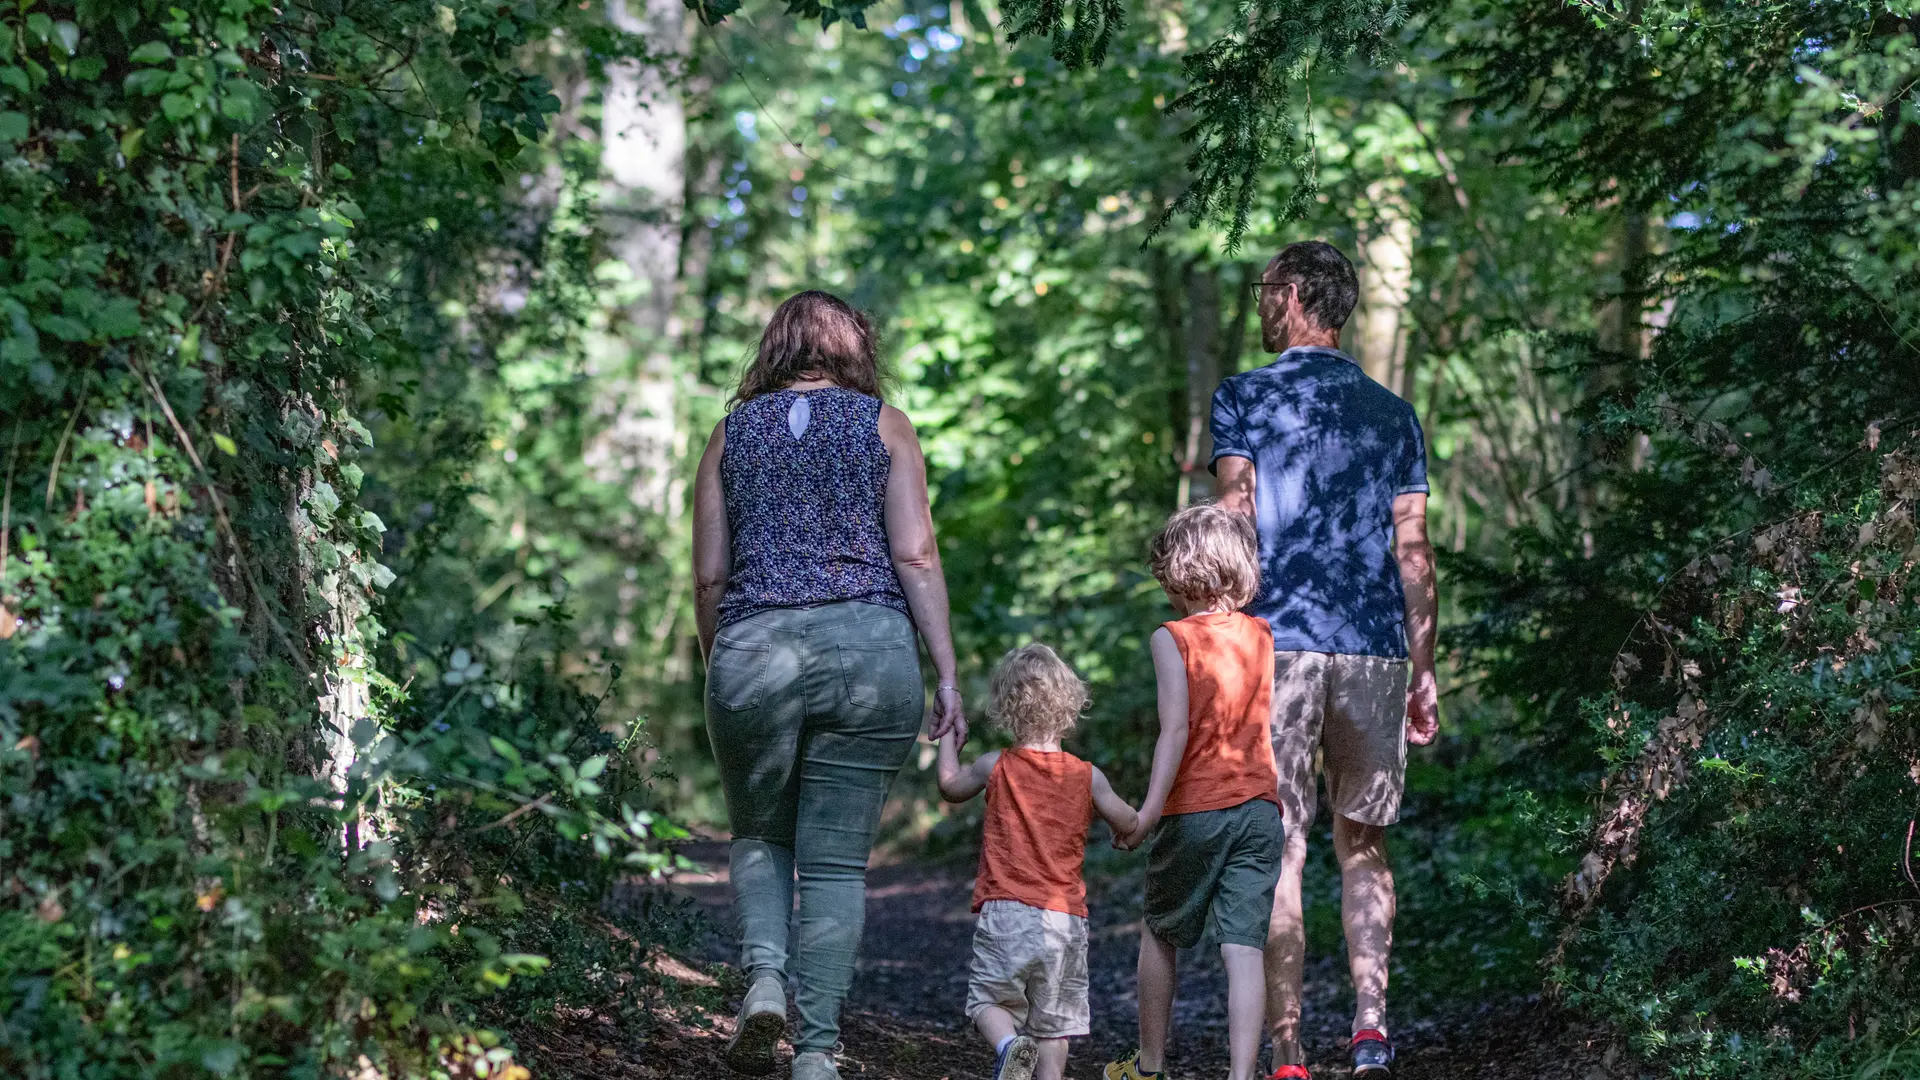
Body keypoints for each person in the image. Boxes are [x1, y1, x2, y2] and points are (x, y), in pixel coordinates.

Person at [692, 290, 969, 1080]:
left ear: (775, 349)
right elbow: (916, 557)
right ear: (855, 350)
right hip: (871, 652)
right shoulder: (885, 425)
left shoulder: (728, 436)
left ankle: (766, 981)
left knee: (759, 835)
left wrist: (723, 665)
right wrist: (946, 672)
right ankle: (816, 1052)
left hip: (753, 649)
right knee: (839, 866)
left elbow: (711, 575)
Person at [1210, 241, 1440, 1079]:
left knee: (1283, 847)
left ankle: (1287, 1050)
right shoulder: (1394, 414)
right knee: (1363, 849)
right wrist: (1423, 669)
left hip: (1277, 643)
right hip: (1376, 647)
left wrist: (1220, 647)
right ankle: (1371, 1031)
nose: (1260, 301)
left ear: (1299, 294)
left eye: (1269, 287)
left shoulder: (1242, 397)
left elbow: (1234, 521)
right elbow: (1414, 553)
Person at [1105, 504, 1284, 1080]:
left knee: (1160, 929)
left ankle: (1151, 1064)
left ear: (1181, 573)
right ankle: (1241, 1075)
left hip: (1196, 810)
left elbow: (1176, 730)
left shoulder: (1172, 638)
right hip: (1260, 808)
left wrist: (1148, 813)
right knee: (1244, 947)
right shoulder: (1261, 634)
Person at [936, 644, 1139, 1080]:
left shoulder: (997, 765)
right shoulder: (1088, 776)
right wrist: (1121, 831)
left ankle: (1009, 1045)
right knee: (1054, 1026)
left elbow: (950, 787)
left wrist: (948, 742)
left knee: (987, 1001)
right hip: (1063, 918)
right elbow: (1130, 820)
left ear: (1006, 707)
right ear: (1069, 705)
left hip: (1007, 911)